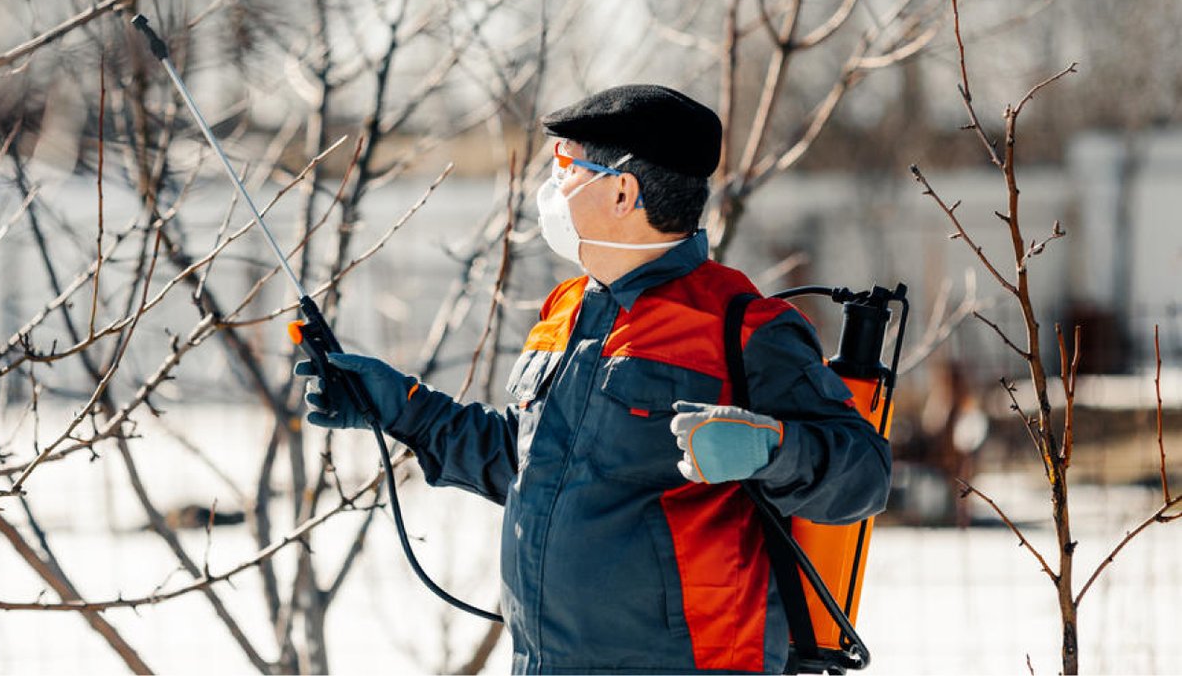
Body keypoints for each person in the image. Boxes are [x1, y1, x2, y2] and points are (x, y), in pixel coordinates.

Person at [297, 84, 891, 674]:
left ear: (624, 191)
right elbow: (528, 460)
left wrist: (771, 449)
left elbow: (864, 474)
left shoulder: (743, 329)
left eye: (566, 167)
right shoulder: (568, 308)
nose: (551, 189)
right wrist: (400, 408)